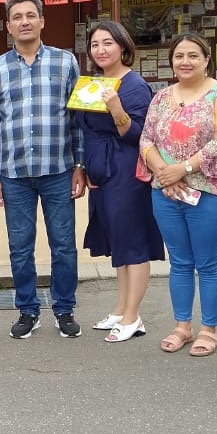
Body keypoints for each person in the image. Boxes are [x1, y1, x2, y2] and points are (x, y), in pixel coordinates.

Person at [0, 0, 87, 340]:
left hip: (58, 169)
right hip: (14, 175)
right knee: (20, 246)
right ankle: (27, 310)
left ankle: (64, 309)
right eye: (17, 17)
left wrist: (80, 165)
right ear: (9, 25)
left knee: (63, 244)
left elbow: (77, 119)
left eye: (31, 15)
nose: (24, 21)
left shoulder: (65, 62)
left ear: (42, 21)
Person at [140, 34, 217, 356]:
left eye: (193, 55)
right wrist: (163, 174)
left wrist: (182, 168)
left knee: (207, 263)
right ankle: (182, 326)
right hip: (165, 191)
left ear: (206, 59)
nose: (185, 61)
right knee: (179, 262)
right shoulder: (161, 98)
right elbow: (146, 140)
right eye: (179, 55)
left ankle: (209, 329)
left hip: (208, 190)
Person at [73, 21, 163, 343]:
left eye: (108, 43)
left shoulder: (134, 85)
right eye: (95, 44)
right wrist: (85, 167)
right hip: (101, 171)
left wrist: (116, 109)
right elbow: (84, 130)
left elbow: (139, 135)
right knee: (117, 242)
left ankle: (133, 315)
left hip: (126, 171)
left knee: (133, 243)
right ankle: (121, 308)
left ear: (123, 46)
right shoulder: (91, 84)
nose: (101, 50)